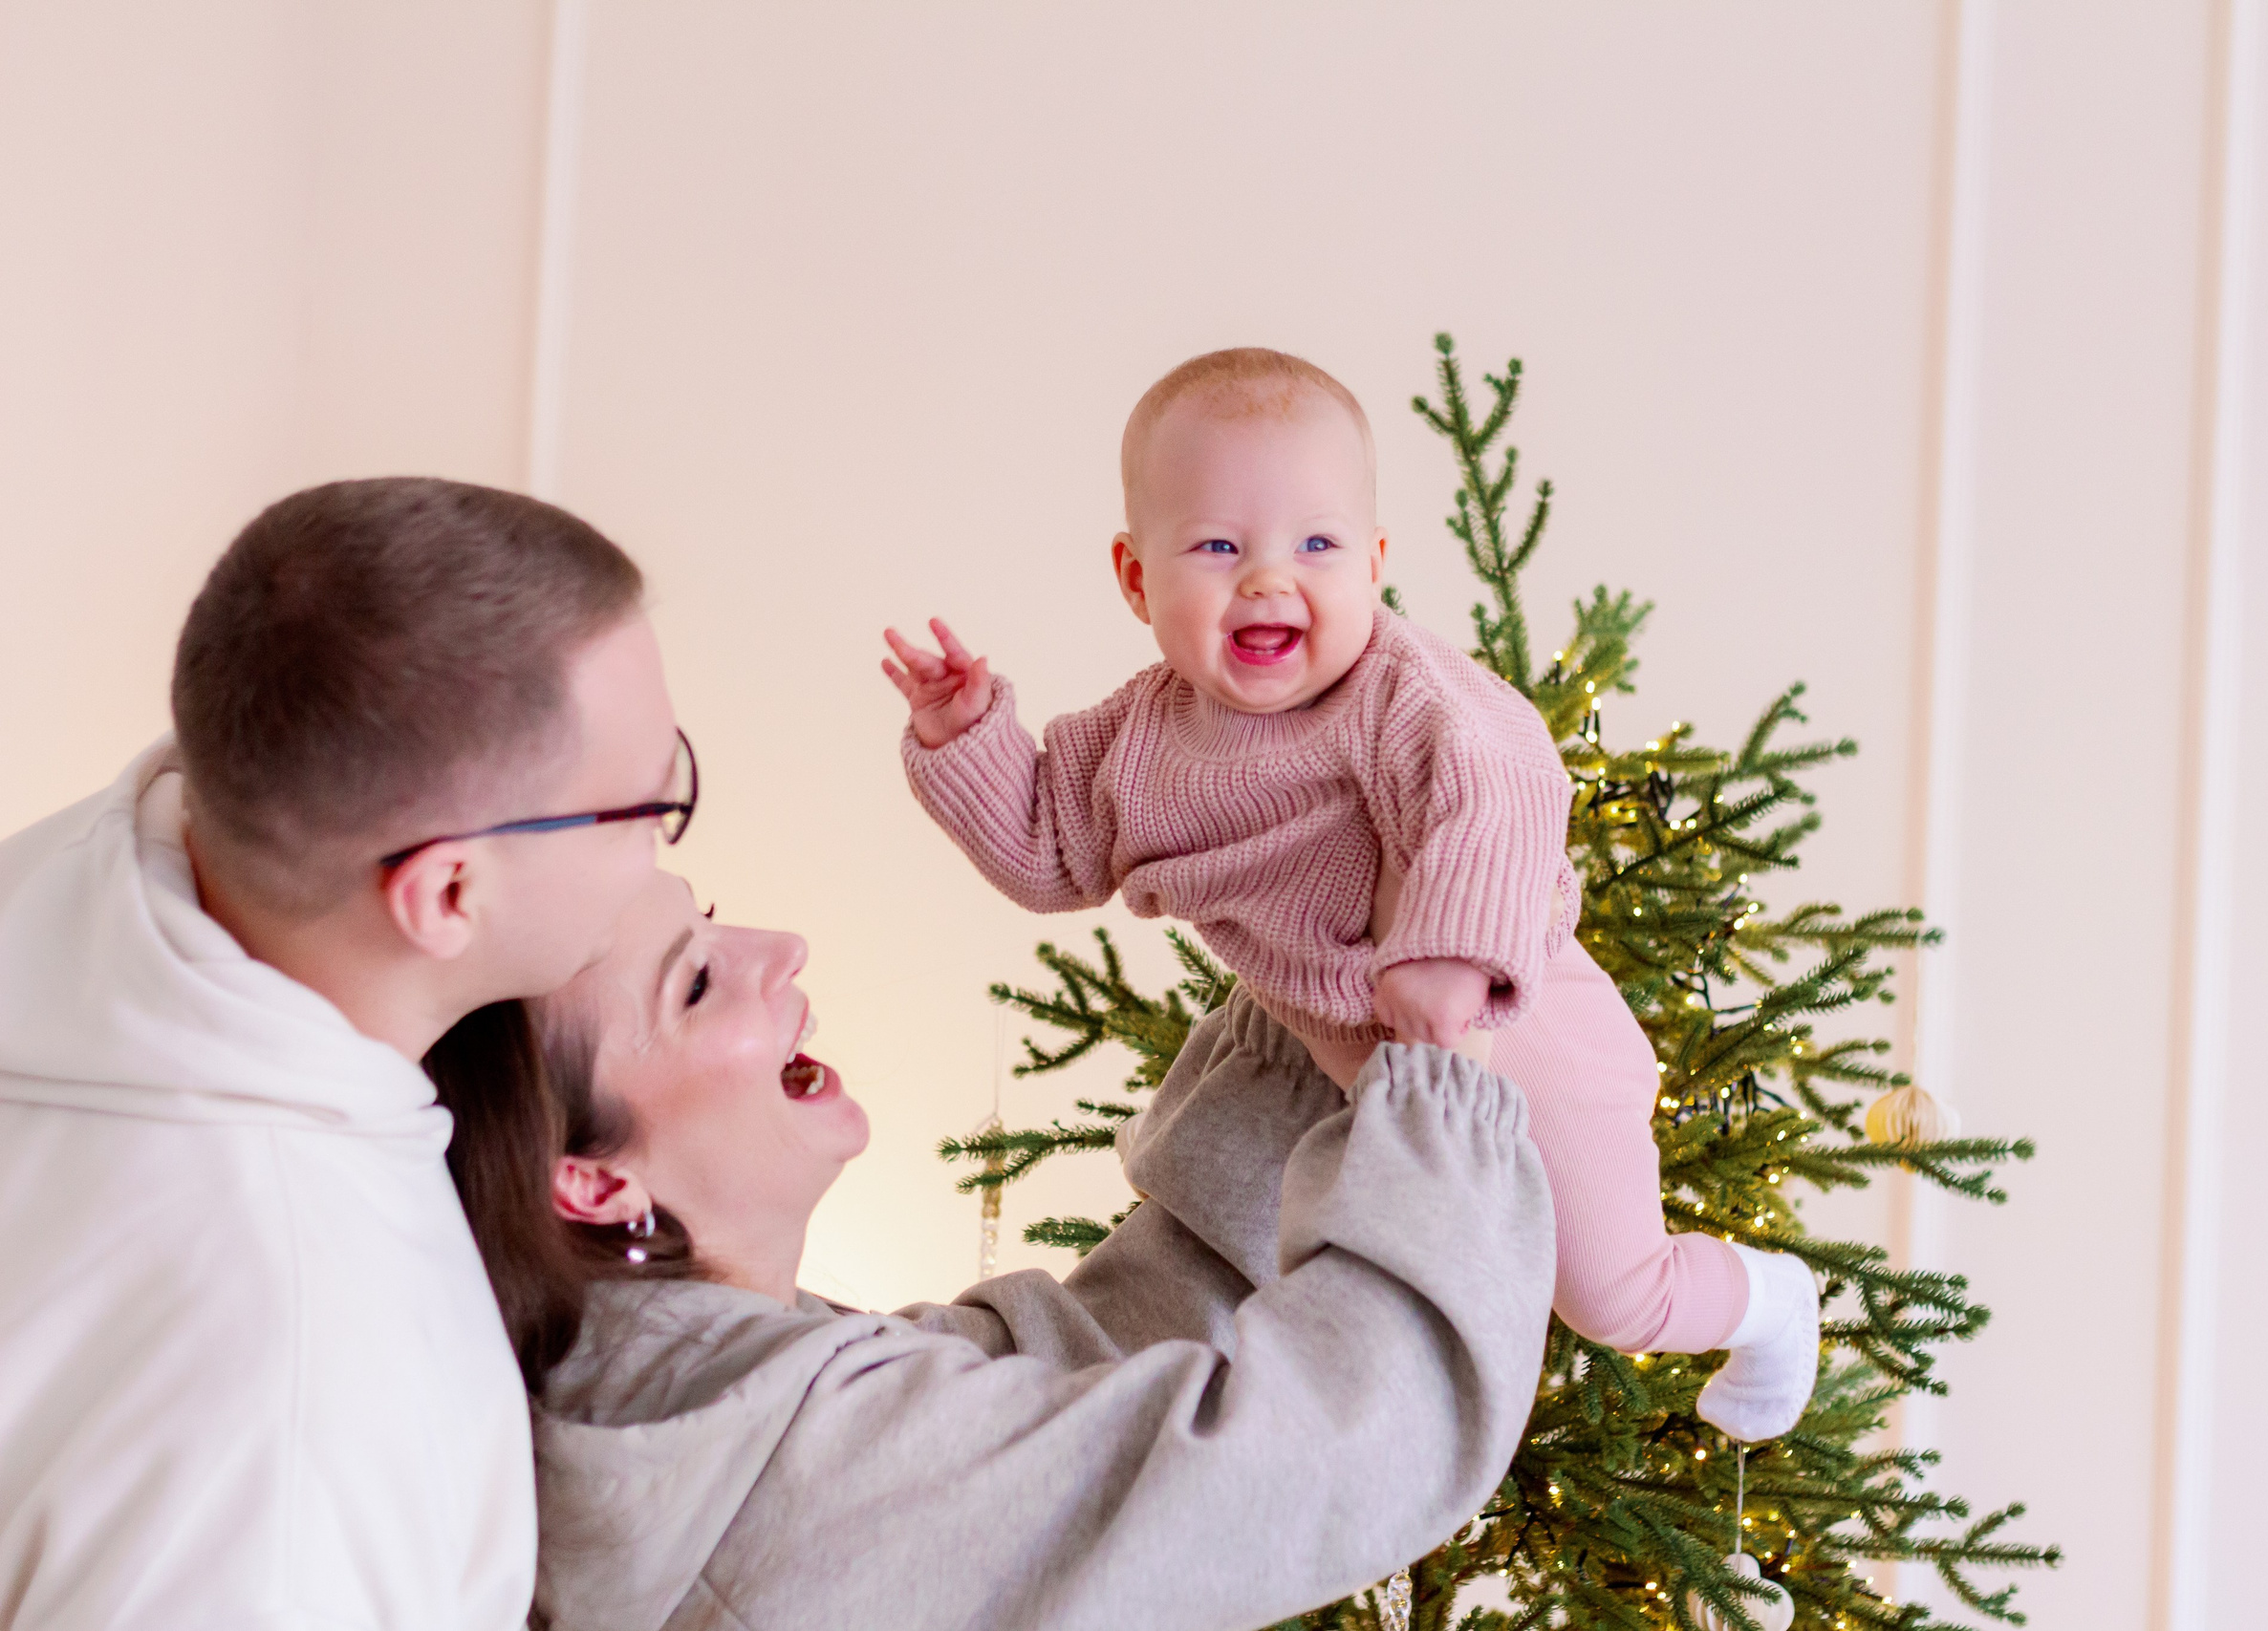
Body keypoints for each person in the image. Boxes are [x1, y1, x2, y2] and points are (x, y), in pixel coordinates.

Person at [881, 347, 1821, 1442]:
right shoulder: (1139, 740)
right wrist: (965, 738)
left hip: (1525, 1033)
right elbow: (1049, 853)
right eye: (1219, 546)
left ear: (1373, 562)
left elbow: (1505, 784)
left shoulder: (1401, 697)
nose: (1269, 579)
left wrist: (1448, 953)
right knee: (1342, 1321)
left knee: (1618, 1298)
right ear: (1137, 578)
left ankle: (1770, 1300)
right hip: (1356, 1078)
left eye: (1316, 545)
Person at [422, 869, 1559, 1630]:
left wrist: (1302, 1013)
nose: (781, 948)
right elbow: (1326, 1455)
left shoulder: (698, 1399)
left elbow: (1091, 1360)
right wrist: (1440, 1083)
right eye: (699, 981)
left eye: (716, 918)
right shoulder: (784, 1473)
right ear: (593, 1181)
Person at [0, 479, 688, 1630]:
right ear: (448, 890)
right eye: (649, 803)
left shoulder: (72, 880)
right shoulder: (297, 1399)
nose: (663, 841)